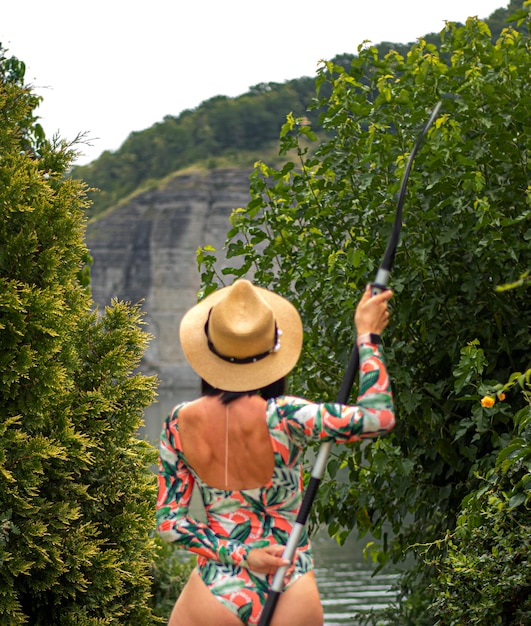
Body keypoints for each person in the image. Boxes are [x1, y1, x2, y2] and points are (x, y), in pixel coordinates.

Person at [156, 279, 395, 626]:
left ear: (210, 352)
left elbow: (169, 522)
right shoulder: (284, 416)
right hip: (288, 583)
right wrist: (367, 337)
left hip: (215, 590)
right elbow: (378, 418)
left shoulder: (179, 422)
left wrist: (240, 554)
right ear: (271, 352)